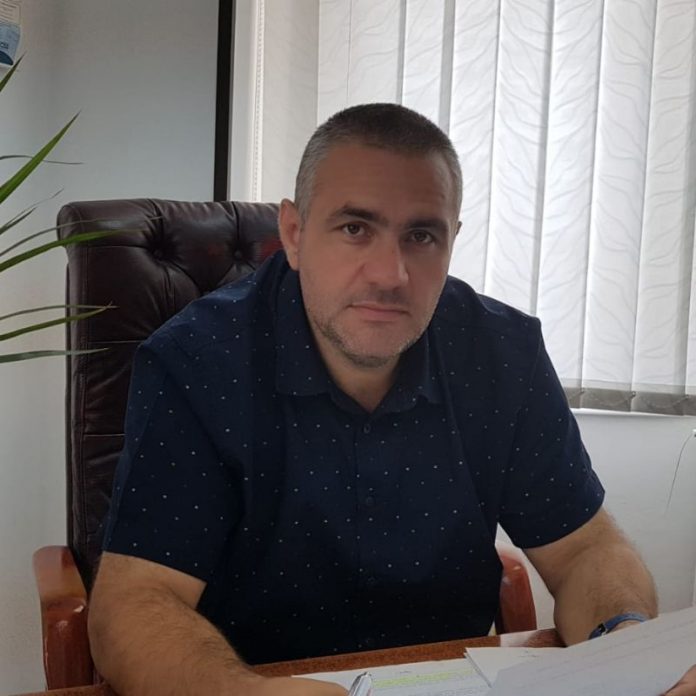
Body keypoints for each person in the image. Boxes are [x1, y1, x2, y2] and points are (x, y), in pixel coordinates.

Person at [88, 103, 695, 696]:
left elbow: (586, 549)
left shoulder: (503, 354)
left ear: (452, 241)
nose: (390, 274)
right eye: (355, 229)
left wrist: (625, 644)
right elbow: (136, 602)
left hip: (450, 678)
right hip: (254, 677)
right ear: (294, 235)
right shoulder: (198, 362)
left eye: (421, 236)